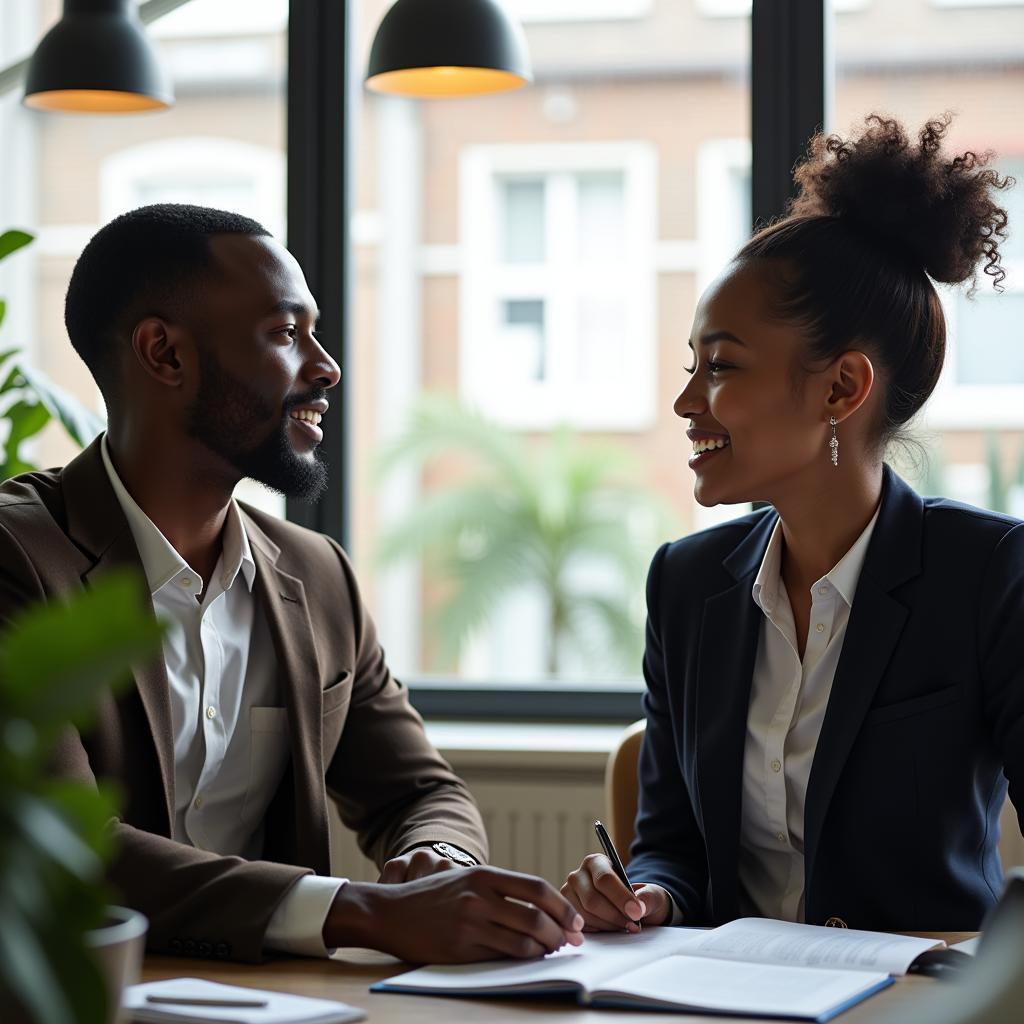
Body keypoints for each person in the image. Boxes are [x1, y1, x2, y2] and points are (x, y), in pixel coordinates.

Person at [0, 204, 584, 964]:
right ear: (165, 354)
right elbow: (66, 843)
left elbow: (418, 793)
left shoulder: (317, 575)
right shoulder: (18, 559)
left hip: (279, 1005)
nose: (325, 366)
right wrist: (364, 912)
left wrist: (439, 862)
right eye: (284, 333)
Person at [562, 113, 1023, 933]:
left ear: (842, 388)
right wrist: (648, 893)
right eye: (690, 367)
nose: (684, 402)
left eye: (722, 366)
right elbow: (670, 842)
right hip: (723, 995)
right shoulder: (685, 582)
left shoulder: (989, 573)